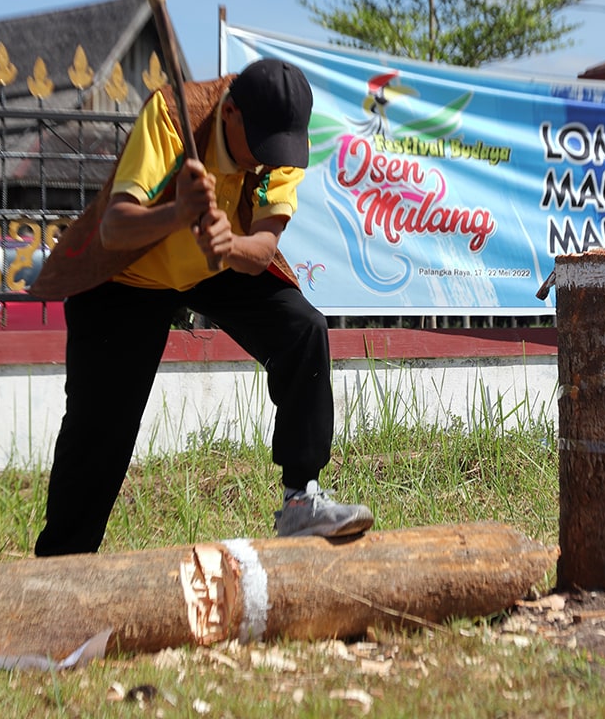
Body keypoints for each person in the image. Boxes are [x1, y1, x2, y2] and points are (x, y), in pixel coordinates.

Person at [28, 58, 373, 556]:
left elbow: (261, 251)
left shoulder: (279, 148)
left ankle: (301, 499)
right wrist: (177, 213)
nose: (265, 162)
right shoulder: (173, 116)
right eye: (259, 148)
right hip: (128, 274)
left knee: (302, 329)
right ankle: (62, 561)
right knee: (101, 428)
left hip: (216, 265)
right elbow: (114, 227)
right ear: (229, 113)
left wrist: (228, 246)